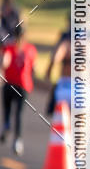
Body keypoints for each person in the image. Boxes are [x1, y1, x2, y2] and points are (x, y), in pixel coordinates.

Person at [1, 24, 37, 155]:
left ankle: (6, 126)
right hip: (22, 85)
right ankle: (17, 139)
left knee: (9, 109)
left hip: (11, 84)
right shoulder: (30, 49)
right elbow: (33, 68)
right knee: (18, 113)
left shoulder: (9, 48)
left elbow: (5, 63)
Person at [45, 17, 71, 116]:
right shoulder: (89, 41)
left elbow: (55, 58)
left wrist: (48, 72)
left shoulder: (66, 40)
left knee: (62, 124)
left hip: (65, 85)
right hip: (83, 88)